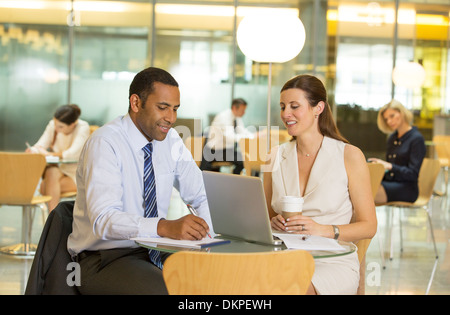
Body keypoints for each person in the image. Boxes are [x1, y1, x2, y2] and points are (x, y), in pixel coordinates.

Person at [67, 67, 213, 295]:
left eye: (175, 109)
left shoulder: (171, 140)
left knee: (215, 280)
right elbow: (104, 219)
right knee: (166, 291)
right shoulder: (105, 143)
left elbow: (201, 195)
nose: (171, 118)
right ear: (136, 103)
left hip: (155, 249)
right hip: (103, 258)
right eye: (162, 108)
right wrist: (164, 226)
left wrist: (208, 238)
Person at [263, 74, 377, 295]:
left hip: (331, 262)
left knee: (289, 288)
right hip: (283, 255)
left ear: (318, 108)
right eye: (283, 106)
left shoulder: (349, 155)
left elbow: (369, 226)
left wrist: (323, 230)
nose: (286, 114)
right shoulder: (274, 156)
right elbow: (265, 217)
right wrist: (272, 221)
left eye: (294, 106)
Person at [26, 104, 90, 211]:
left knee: (44, 187)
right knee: (51, 171)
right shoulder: (53, 125)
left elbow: (72, 154)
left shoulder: (83, 127)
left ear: (73, 125)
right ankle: (54, 218)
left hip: (76, 174)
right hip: (59, 171)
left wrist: (49, 154)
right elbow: (41, 144)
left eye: (60, 127)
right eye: (55, 124)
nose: (56, 129)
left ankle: (52, 217)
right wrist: (33, 150)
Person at [368, 100, 426, 204]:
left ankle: (364, 221)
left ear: (402, 113)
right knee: (361, 189)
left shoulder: (416, 139)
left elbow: (412, 174)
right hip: (390, 183)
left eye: (392, 116)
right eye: (386, 119)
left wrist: (390, 166)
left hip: (407, 188)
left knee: (366, 195)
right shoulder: (392, 139)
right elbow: (389, 171)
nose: (389, 121)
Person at [200, 98, 254, 174]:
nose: (244, 113)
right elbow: (229, 137)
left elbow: (243, 131)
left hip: (225, 150)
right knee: (242, 160)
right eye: (242, 110)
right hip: (214, 151)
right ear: (234, 108)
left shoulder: (236, 118)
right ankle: (235, 179)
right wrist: (247, 138)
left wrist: (253, 137)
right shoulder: (224, 117)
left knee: (246, 158)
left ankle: (235, 178)